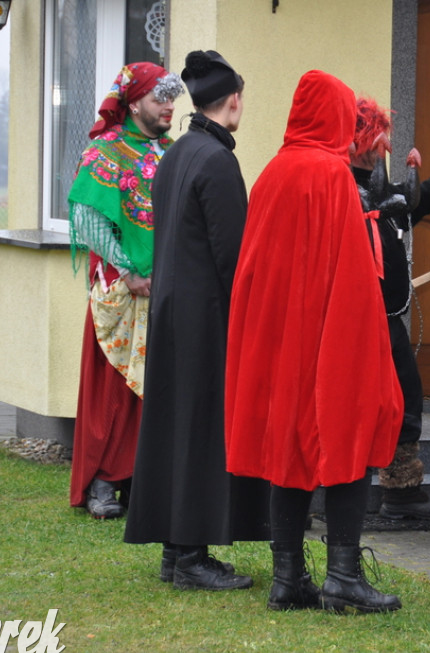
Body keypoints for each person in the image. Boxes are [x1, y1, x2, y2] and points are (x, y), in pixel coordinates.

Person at [224, 70, 404, 613]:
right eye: (348, 119)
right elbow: (353, 274)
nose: (352, 132)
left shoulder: (273, 173)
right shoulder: (331, 176)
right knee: (352, 431)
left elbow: (252, 271)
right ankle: (343, 577)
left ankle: (287, 579)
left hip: (280, 343)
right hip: (328, 335)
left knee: (289, 445)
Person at [123, 51, 269, 590]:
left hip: (171, 313)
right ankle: (190, 557)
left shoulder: (179, 151)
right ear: (233, 101)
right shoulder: (216, 160)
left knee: (175, 429)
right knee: (201, 431)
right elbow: (235, 258)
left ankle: (175, 550)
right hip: (205, 320)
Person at [67, 63, 184, 519]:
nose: (168, 107)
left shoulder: (173, 151)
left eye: (172, 98)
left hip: (165, 288)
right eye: (160, 99)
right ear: (134, 102)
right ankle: (103, 481)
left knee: (154, 388)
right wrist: (128, 270)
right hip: (121, 290)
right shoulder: (105, 152)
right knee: (113, 391)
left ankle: (141, 479)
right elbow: (87, 219)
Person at [350, 97, 430, 521]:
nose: (381, 143)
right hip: (350, 322)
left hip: (386, 317)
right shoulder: (336, 182)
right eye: (373, 134)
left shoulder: (373, 181)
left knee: (404, 396)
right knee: (357, 404)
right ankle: (339, 496)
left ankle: (402, 493)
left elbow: (408, 200)